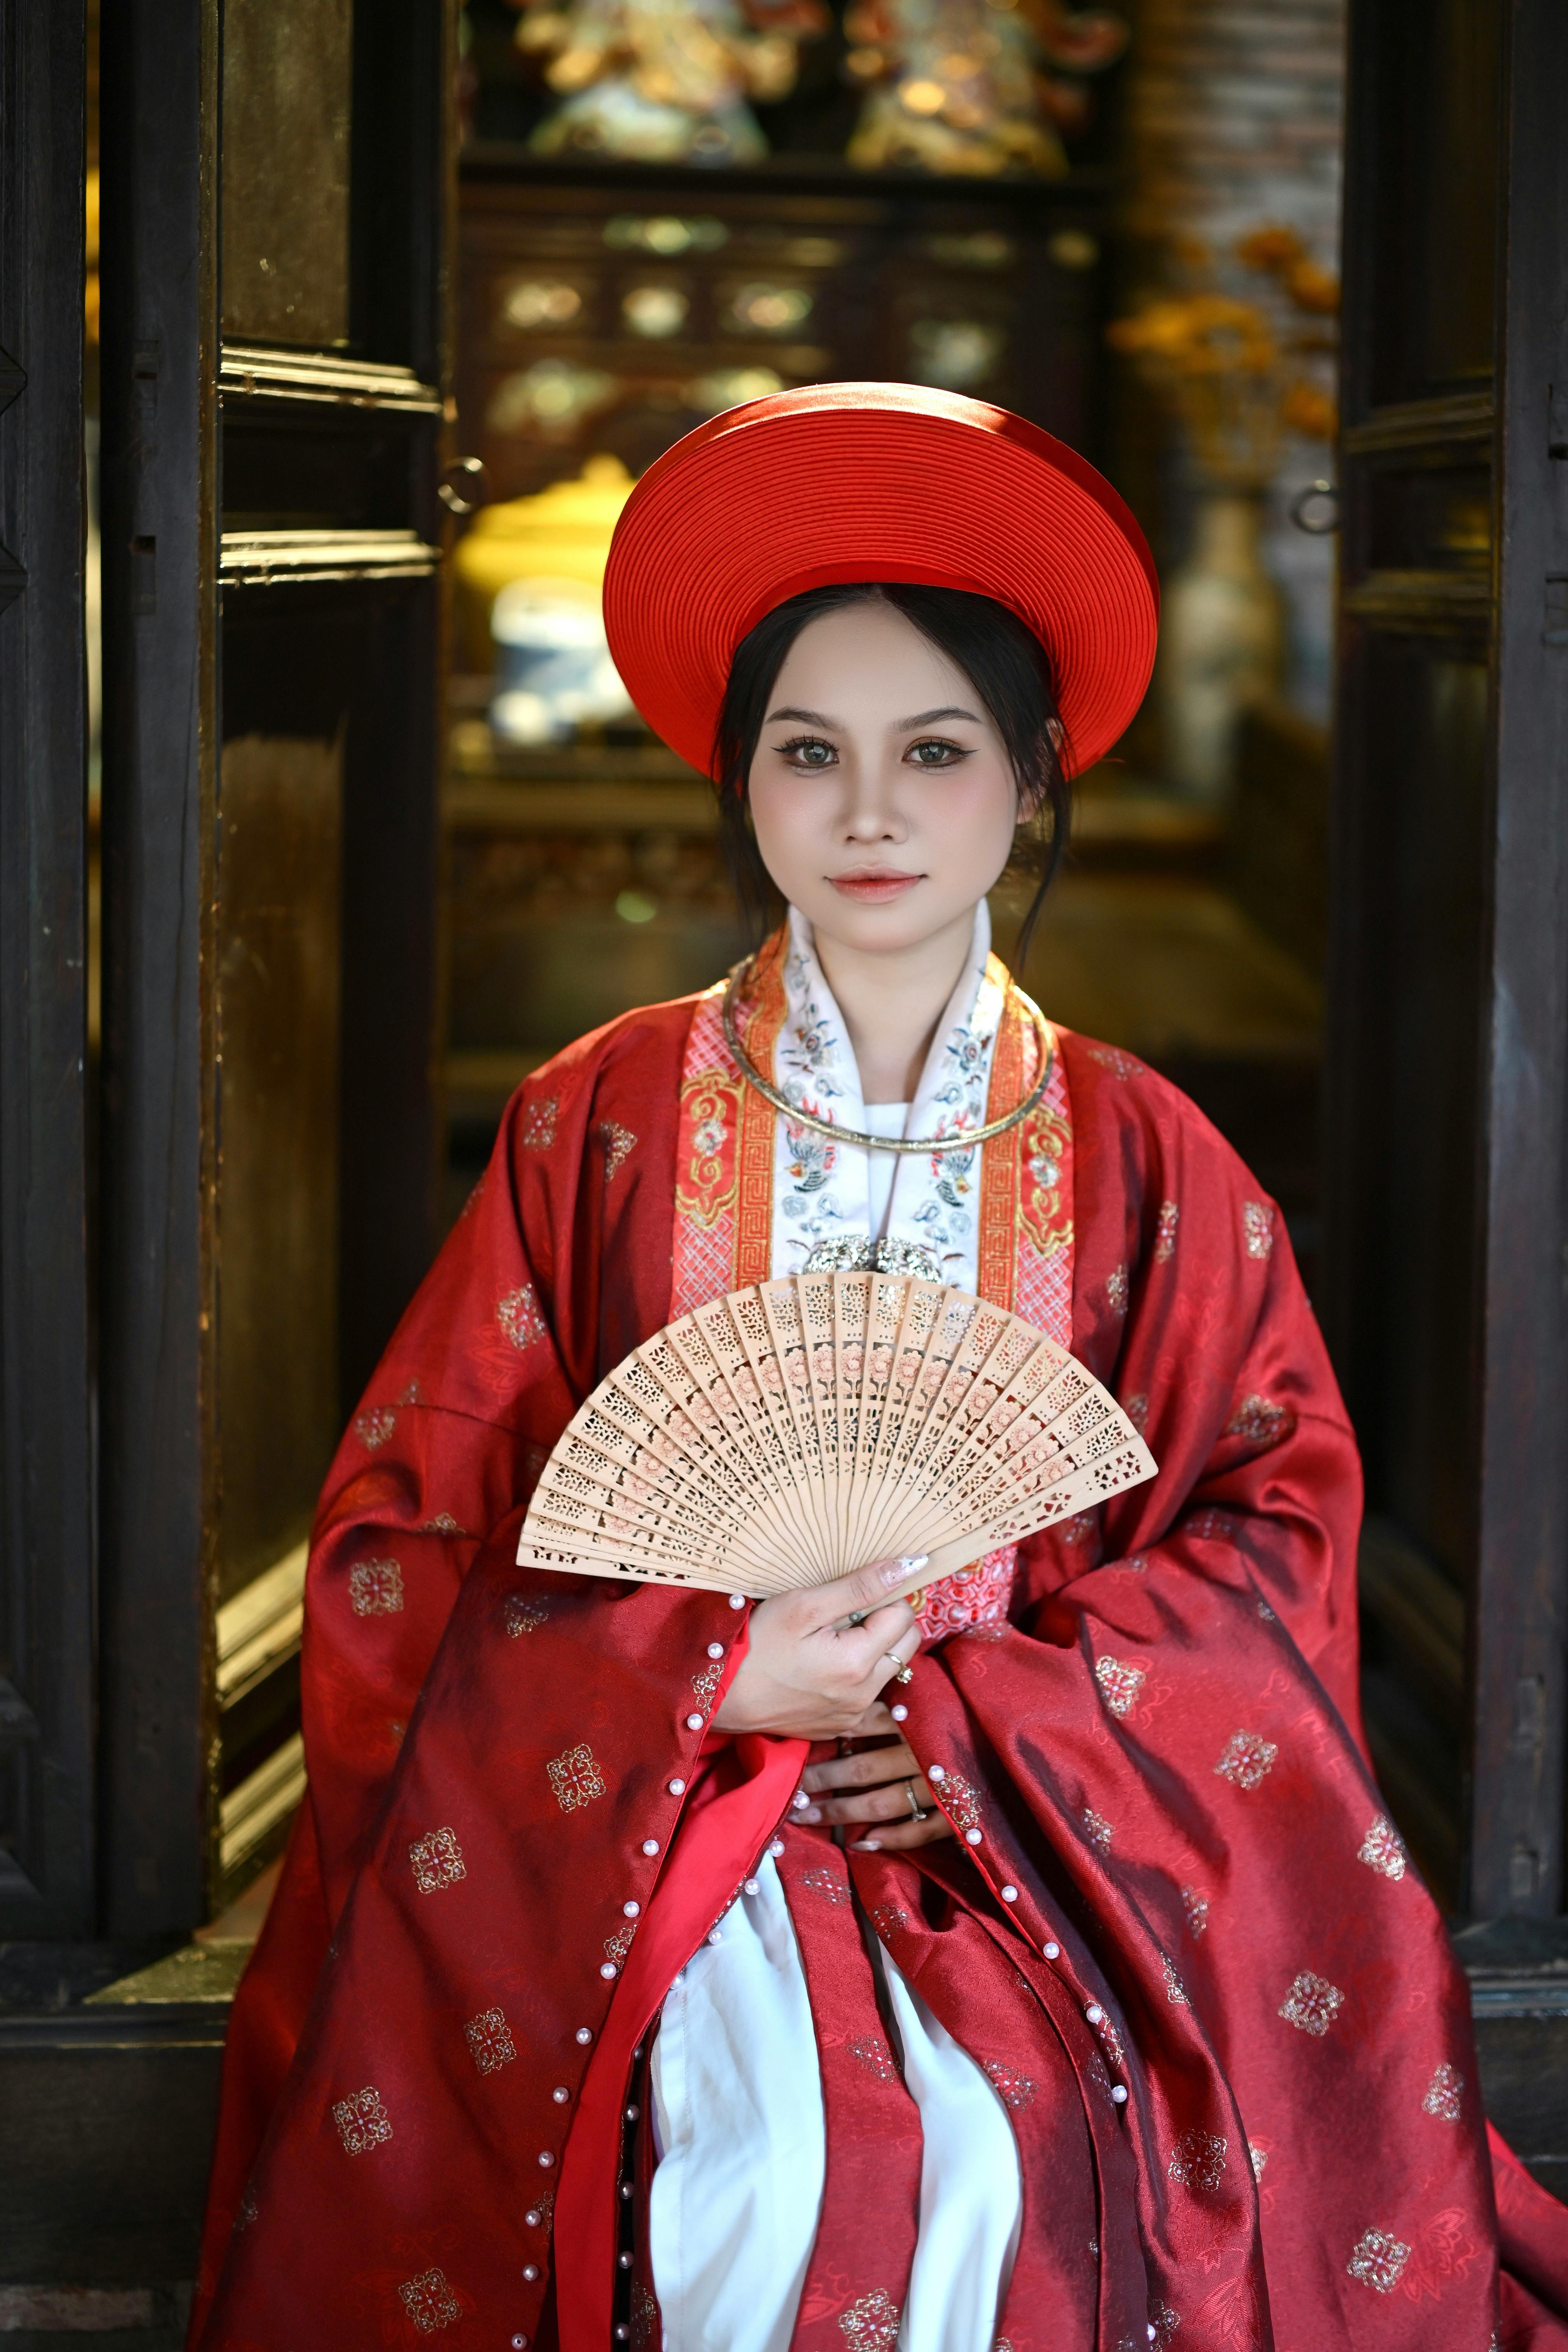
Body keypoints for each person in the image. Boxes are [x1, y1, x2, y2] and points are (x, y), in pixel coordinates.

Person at [191, 385, 1568, 2352]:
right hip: (664, 1830)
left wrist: (989, 1734)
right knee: (750, 2184)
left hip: (1026, 1849)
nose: (867, 814)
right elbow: (398, 1548)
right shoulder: (599, 1123)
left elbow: (1277, 1537)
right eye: (806, 752)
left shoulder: (1149, 1155)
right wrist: (701, 1676)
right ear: (740, 782)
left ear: (1030, 781)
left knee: (997, 2171)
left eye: (934, 752)